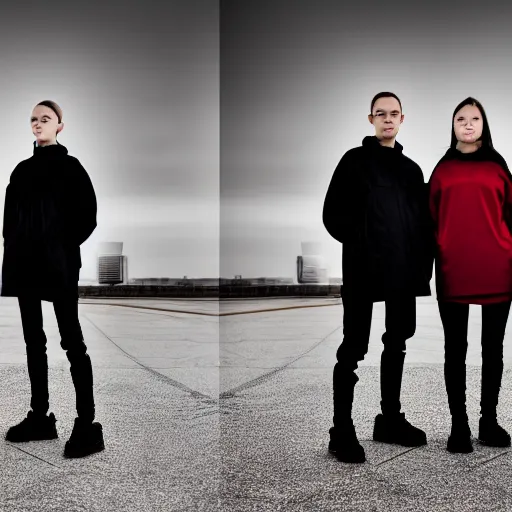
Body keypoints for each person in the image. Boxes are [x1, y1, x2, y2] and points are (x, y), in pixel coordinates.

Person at [322, 92, 433, 463]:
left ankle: (389, 420)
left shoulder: (412, 171)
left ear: (403, 119)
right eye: (381, 114)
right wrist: (364, 242)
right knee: (353, 349)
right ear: (370, 119)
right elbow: (332, 215)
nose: (388, 119)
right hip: (363, 269)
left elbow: (421, 224)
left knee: (397, 342)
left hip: (401, 272)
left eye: (394, 114)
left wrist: (419, 266)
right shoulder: (354, 162)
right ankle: (341, 430)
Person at [1, 100, 105, 458]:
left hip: (59, 265)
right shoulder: (20, 170)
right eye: (33, 119)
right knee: (34, 341)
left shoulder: (71, 168)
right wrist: (13, 248)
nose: (38, 123)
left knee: (71, 341)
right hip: (25, 265)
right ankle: (41, 417)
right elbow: (8, 221)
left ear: (60, 125)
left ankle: (88, 424)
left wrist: (59, 245)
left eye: (46, 118)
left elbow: (87, 216)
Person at [428, 97, 512, 453]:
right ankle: (458, 426)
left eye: (474, 118)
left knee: (492, 349)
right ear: (453, 125)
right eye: (460, 118)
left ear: (483, 124)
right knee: (455, 350)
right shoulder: (442, 169)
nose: (467, 123)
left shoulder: (498, 166)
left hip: (498, 267)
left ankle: (488, 422)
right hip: (453, 269)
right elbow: (428, 220)